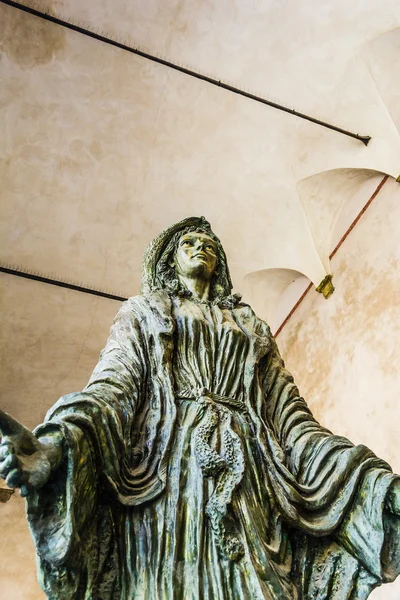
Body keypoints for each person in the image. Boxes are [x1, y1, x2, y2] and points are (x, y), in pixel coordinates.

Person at [1, 216, 400, 600]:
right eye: (189, 243)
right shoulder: (144, 312)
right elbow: (113, 389)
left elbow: (292, 419)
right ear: (170, 260)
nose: (201, 248)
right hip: (171, 467)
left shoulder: (250, 326)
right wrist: (56, 444)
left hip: (250, 468)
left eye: (210, 246)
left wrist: (369, 480)